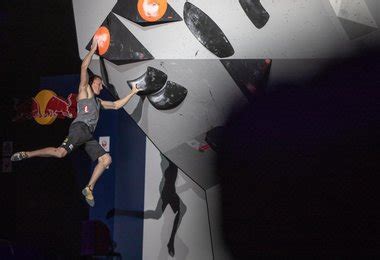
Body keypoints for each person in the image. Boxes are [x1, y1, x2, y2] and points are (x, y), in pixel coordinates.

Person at [11, 38, 141, 207]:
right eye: (99, 84)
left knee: (106, 160)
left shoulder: (99, 102)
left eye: (101, 85)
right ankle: (27, 154)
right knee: (60, 153)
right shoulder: (84, 90)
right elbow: (83, 67)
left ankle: (88, 188)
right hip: (80, 128)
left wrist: (133, 92)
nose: (101, 87)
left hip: (87, 135)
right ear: (92, 82)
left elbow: (116, 105)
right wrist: (93, 49)